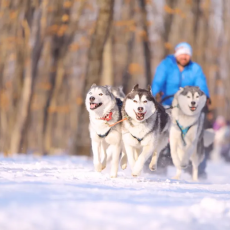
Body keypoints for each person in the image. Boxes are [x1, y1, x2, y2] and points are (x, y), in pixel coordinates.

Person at [150, 42, 210, 178]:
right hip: (167, 104)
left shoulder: (195, 69)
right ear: (177, 54)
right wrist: (156, 92)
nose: (184, 57)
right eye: (182, 54)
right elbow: (158, 81)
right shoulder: (166, 65)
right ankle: (153, 166)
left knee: (196, 136)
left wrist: (206, 97)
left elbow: (201, 84)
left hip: (189, 108)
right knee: (159, 131)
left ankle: (198, 171)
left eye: (187, 55)